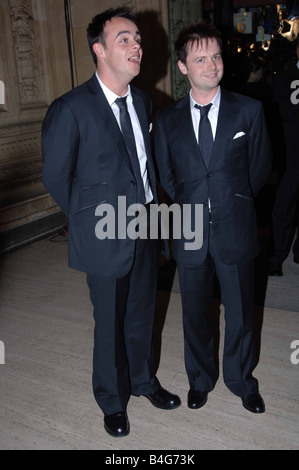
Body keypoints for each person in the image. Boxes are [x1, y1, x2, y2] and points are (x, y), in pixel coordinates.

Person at [42, 7, 180, 438]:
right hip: (105, 234)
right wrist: (91, 223)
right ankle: (111, 399)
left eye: (137, 39)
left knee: (142, 312)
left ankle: (142, 381)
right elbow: (56, 176)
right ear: (99, 49)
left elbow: (144, 165)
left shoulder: (141, 101)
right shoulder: (70, 108)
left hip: (144, 225)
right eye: (125, 39)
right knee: (109, 323)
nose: (136, 46)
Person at [154, 21, 271, 414]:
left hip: (234, 226)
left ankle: (241, 380)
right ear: (183, 66)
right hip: (188, 230)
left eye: (216, 56)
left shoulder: (249, 111)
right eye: (200, 58)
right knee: (195, 314)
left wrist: (232, 201)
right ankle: (200, 380)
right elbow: (167, 176)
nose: (211, 65)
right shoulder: (167, 121)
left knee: (240, 312)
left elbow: (259, 170)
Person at [268, 35, 299, 276]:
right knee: (284, 207)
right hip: (291, 155)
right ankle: (277, 255)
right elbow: (282, 116)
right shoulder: (285, 78)